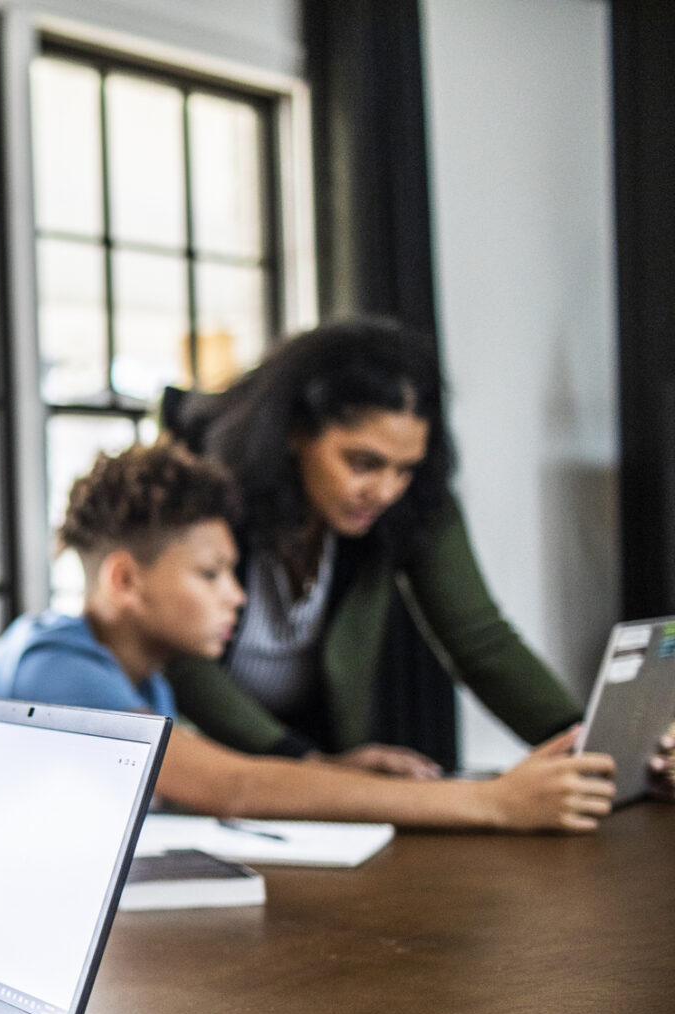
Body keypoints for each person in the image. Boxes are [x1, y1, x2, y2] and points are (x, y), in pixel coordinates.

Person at [0, 443, 618, 829]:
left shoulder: (141, 674)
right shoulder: (58, 668)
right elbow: (231, 786)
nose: (237, 596)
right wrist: (493, 802)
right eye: (211, 574)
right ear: (125, 581)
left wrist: (329, 770)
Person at [162, 317, 584, 779]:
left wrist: (583, 743)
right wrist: (305, 764)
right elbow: (182, 659)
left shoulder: (413, 502)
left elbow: (481, 641)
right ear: (295, 431)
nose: (385, 491)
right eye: (364, 463)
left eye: (405, 469)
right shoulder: (208, 494)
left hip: (320, 759)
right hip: (207, 767)